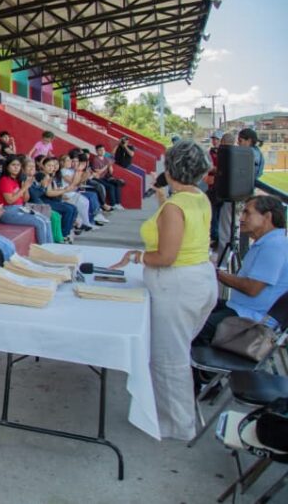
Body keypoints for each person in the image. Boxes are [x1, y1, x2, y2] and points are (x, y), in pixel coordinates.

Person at [108, 140, 214, 441]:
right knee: (176, 351)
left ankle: (176, 424)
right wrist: (162, 200)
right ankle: (173, 416)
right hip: (198, 278)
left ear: (170, 170)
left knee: (169, 358)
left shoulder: (174, 207)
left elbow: (166, 256)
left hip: (177, 284)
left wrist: (138, 257)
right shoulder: (197, 198)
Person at [197, 196, 288, 344]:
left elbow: (252, 288)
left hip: (250, 320)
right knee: (192, 308)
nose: (241, 218)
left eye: (247, 213)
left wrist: (216, 273)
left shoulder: (274, 246)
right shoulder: (269, 242)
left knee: (190, 326)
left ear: (267, 217)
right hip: (239, 309)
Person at [0, 155, 53, 244]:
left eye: (18, 165)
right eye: (13, 165)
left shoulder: (17, 180)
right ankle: (44, 247)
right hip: (7, 212)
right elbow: (9, 201)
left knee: (46, 219)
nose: (16, 167)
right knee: (40, 222)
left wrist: (25, 187)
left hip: (20, 208)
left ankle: (50, 247)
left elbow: (25, 199)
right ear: (7, 167)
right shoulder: (4, 180)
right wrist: (23, 188)